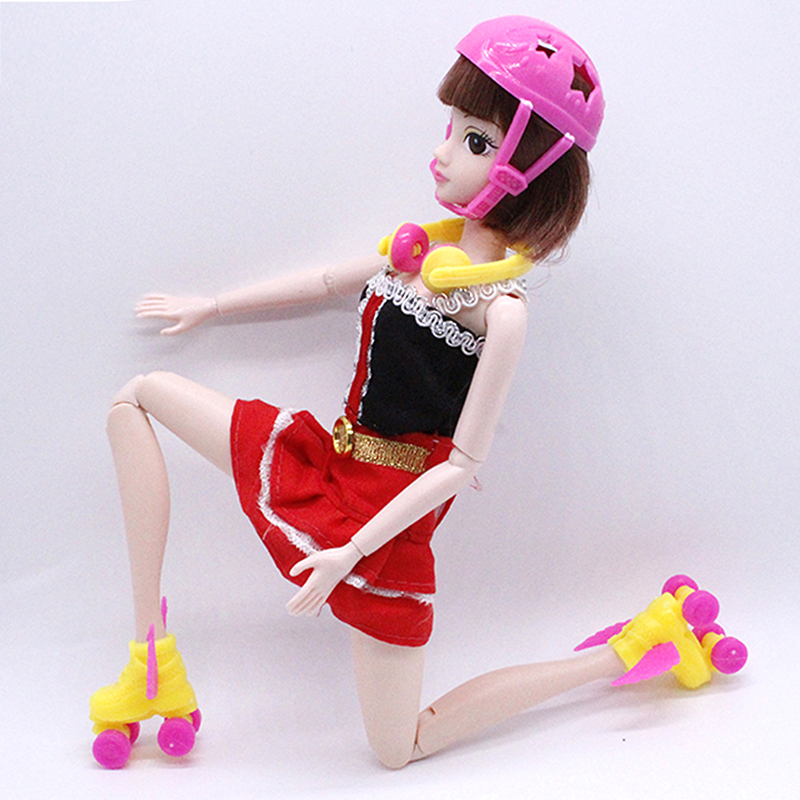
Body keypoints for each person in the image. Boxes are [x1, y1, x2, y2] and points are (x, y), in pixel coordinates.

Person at [91, 16, 728, 770]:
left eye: (476, 141)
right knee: (138, 396)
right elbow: (327, 280)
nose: (444, 151)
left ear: (524, 172)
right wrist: (213, 305)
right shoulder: (418, 251)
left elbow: (461, 465)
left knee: (398, 748)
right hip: (327, 460)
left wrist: (352, 551)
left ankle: (630, 647)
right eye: (452, 128)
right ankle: (151, 662)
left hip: (386, 522)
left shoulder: (502, 311)